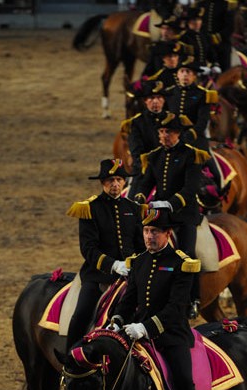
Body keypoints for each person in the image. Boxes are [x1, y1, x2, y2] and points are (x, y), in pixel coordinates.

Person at [109, 207, 200, 390]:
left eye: (155, 232)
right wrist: (116, 321)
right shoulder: (139, 261)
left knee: (183, 380)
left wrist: (145, 328)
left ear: (168, 233)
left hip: (171, 336)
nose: (149, 236)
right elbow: (128, 302)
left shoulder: (182, 263)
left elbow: (175, 309)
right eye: (147, 231)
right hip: (137, 335)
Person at [133, 112, 211, 317]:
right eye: (161, 131)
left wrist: (169, 203)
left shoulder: (192, 155)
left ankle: (193, 299)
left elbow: (190, 188)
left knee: (187, 253)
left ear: (177, 134)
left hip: (184, 214)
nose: (164, 135)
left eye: (168, 131)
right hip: (161, 214)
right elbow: (146, 182)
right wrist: (140, 197)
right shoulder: (155, 156)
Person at [65, 159, 144, 352]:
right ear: (102, 183)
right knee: (82, 313)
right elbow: (88, 248)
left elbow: (141, 246)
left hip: (129, 276)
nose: (115, 184)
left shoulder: (133, 209)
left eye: (119, 179)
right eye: (110, 180)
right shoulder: (89, 208)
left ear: (124, 182)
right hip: (98, 275)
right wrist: (113, 265)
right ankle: (70, 356)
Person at [120, 80, 170, 199]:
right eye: (151, 98)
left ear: (163, 100)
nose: (155, 101)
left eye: (159, 97)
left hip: (170, 170)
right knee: (131, 203)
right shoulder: (136, 123)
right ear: (145, 101)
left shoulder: (173, 120)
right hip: (144, 172)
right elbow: (136, 152)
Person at [165, 58, 219, 152]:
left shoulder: (203, 94)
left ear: (194, 76)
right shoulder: (168, 93)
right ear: (177, 75)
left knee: (209, 163)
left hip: (195, 139)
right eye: (182, 71)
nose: (185, 74)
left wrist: (190, 134)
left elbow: (203, 121)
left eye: (189, 72)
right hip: (170, 138)